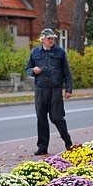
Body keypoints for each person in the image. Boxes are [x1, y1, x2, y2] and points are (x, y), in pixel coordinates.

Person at [26, 28, 74, 156]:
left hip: (55, 89)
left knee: (57, 117)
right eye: (49, 39)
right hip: (41, 90)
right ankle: (42, 147)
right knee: (41, 118)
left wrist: (68, 89)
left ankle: (68, 142)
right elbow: (28, 69)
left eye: (53, 38)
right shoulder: (35, 52)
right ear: (42, 39)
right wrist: (33, 71)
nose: (51, 40)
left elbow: (67, 72)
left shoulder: (60, 52)